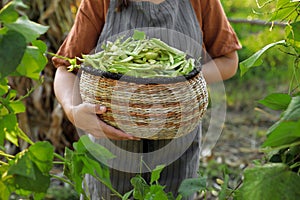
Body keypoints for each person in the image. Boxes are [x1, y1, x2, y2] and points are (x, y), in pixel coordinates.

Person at [52, 0, 241, 199]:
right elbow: (66, 68)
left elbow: (228, 60)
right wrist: (73, 111)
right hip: (111, 155)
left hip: (178, 152)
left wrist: (182, 80)